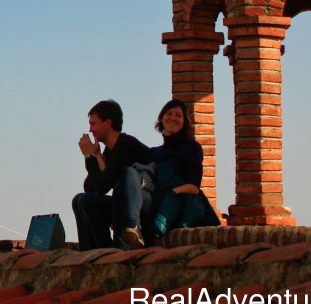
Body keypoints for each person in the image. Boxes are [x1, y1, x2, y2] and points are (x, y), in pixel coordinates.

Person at [71, 99, 153, 250]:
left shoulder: (125, 145)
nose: (90, 129)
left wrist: (88, 157)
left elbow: (102, 186)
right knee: (80, 200)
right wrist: (96, 157)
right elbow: (90, 187)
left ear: (107, 123)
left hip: (141, 207)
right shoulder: (110, 150)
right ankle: (89, 250)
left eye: (93, 124)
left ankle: (104, 250)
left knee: (85, 201)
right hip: (120, 204)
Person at [147, 98, 220, 241]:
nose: (173, 118)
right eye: (169, 113)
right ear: (161, 118)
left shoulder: (191, 148)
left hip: (184, 204)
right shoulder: (154, 153)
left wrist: (171, 193)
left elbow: (194, 187)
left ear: (184, 122)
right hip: (160, 202)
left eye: (178, 115)